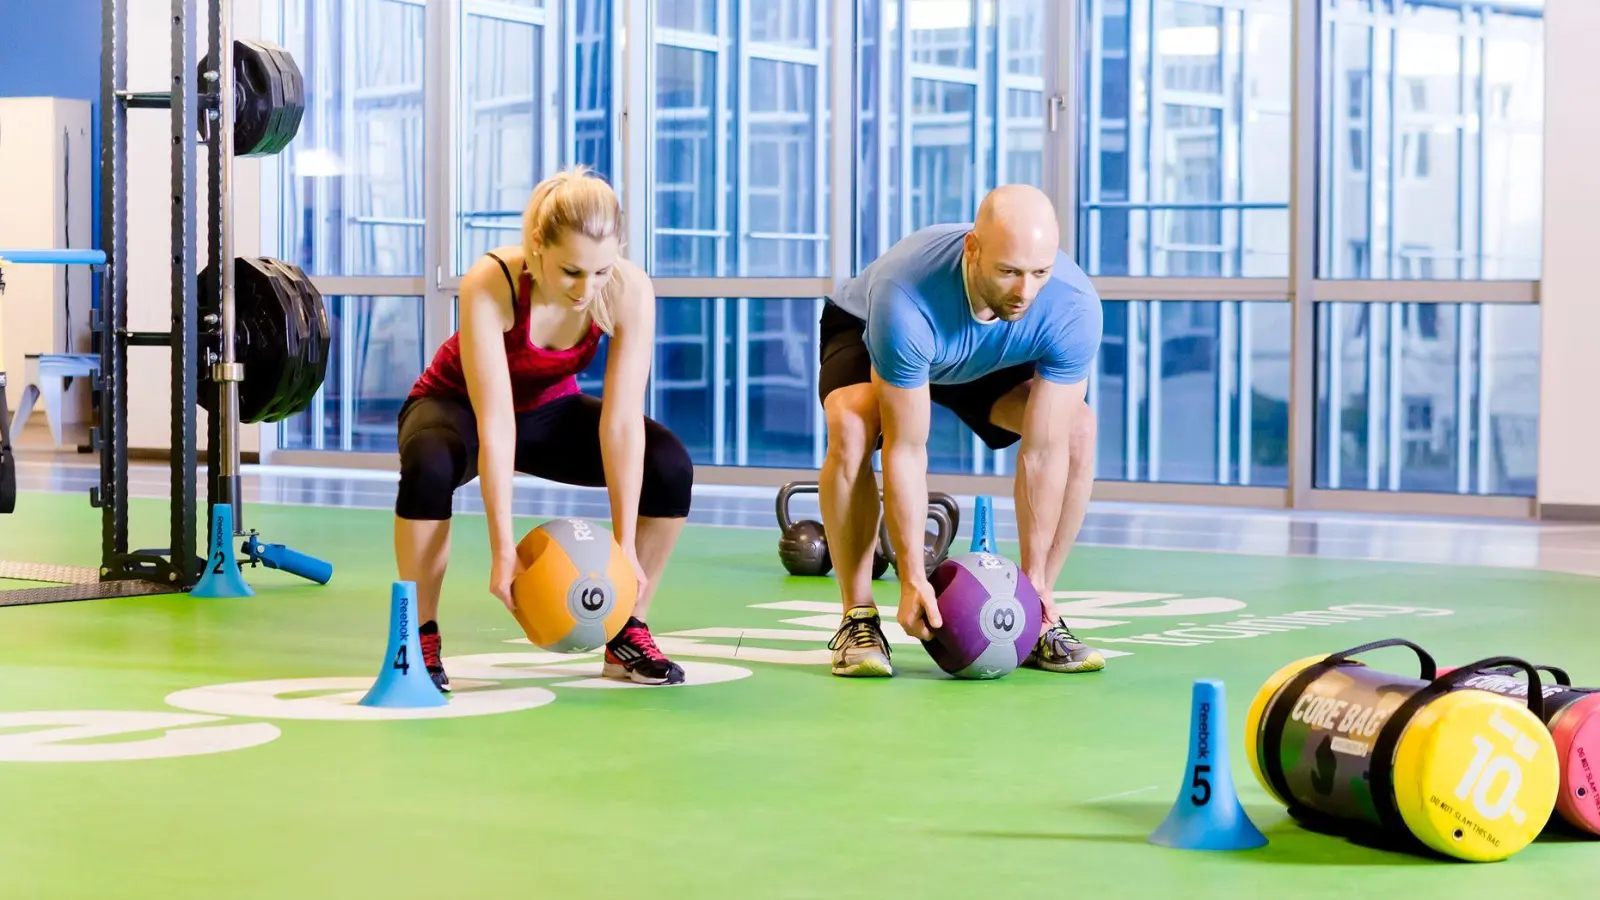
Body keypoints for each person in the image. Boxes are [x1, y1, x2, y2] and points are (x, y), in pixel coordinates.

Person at [393, 166, 692, 690]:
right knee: (429, 463)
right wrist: (503, 549)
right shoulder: (493, 281)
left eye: (600, 271)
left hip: (550, 409)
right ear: (537, 247)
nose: (586, 288)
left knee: (668, 464)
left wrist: (623, 548)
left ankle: (626, 629)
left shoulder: (628, 289)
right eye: (571, 271)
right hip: (455, 406)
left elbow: (621, 422)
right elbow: (496, 423)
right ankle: (418, 636)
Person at [817, 184, 1105, 678]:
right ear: (973, 249)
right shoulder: (904, 294)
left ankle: (1042, 615)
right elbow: (907, 451)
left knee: (1077, 427)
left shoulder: (1072, 306)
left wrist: (1033, 583)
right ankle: (858, 617)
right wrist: (912, 577)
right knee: (852, 420)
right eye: (1010, 272)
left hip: (984, 354)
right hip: (881, 333)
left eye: (1040, 272)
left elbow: (1045, 450)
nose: (1026, 291)